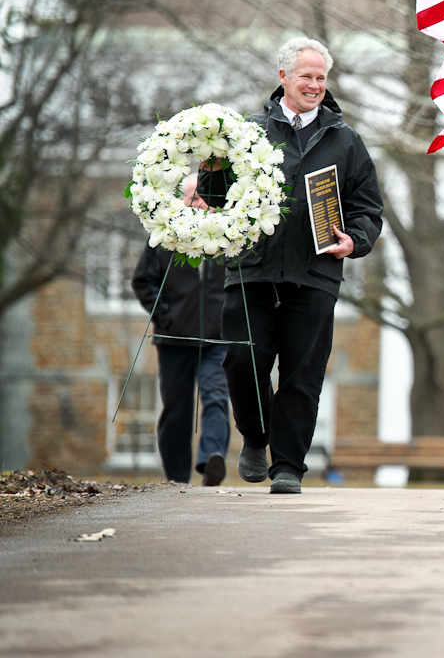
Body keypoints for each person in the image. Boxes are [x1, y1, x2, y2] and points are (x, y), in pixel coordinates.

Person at [201, 37, 383, 494]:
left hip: (315, 273)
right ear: (283, 77)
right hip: (251, 269)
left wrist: (354, 240)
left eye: (321, 78)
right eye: (306, 76)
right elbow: (219, 199)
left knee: (303, 372)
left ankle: (288, 466)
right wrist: (209, 171)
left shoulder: (346, 140)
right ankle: (257, 438)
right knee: (243, 361)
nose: (315, 85)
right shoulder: (245, 132)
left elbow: (367, 209)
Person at [131, 174, 230, 486]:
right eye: (193, 197)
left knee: (216, 395)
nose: (200, 203)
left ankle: (211, 459)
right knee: (176, 410)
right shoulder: (164, 238)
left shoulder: (231, 239)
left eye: (206, 198)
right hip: (174, 338)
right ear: (181, 202)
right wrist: (165, 316)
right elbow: (142, 281)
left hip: (218, 338)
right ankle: (177, 480)